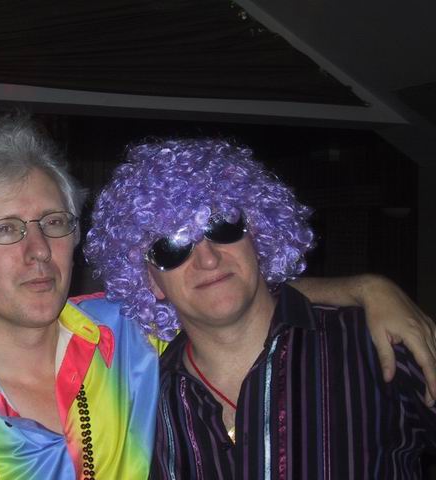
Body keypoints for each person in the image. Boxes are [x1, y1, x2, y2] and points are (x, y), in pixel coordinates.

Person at [0, 115, 434, 479]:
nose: (38, 251)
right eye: (5, 229)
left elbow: (224, 297)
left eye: (54, 223)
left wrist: (365, 289)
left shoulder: (130, 333)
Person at [84, 138, 436, 479]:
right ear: (150, 280)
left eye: (222, 226)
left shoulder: (373, 345)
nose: (208, 259)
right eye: (170, 248)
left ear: (258, 235)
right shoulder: (147, 407)